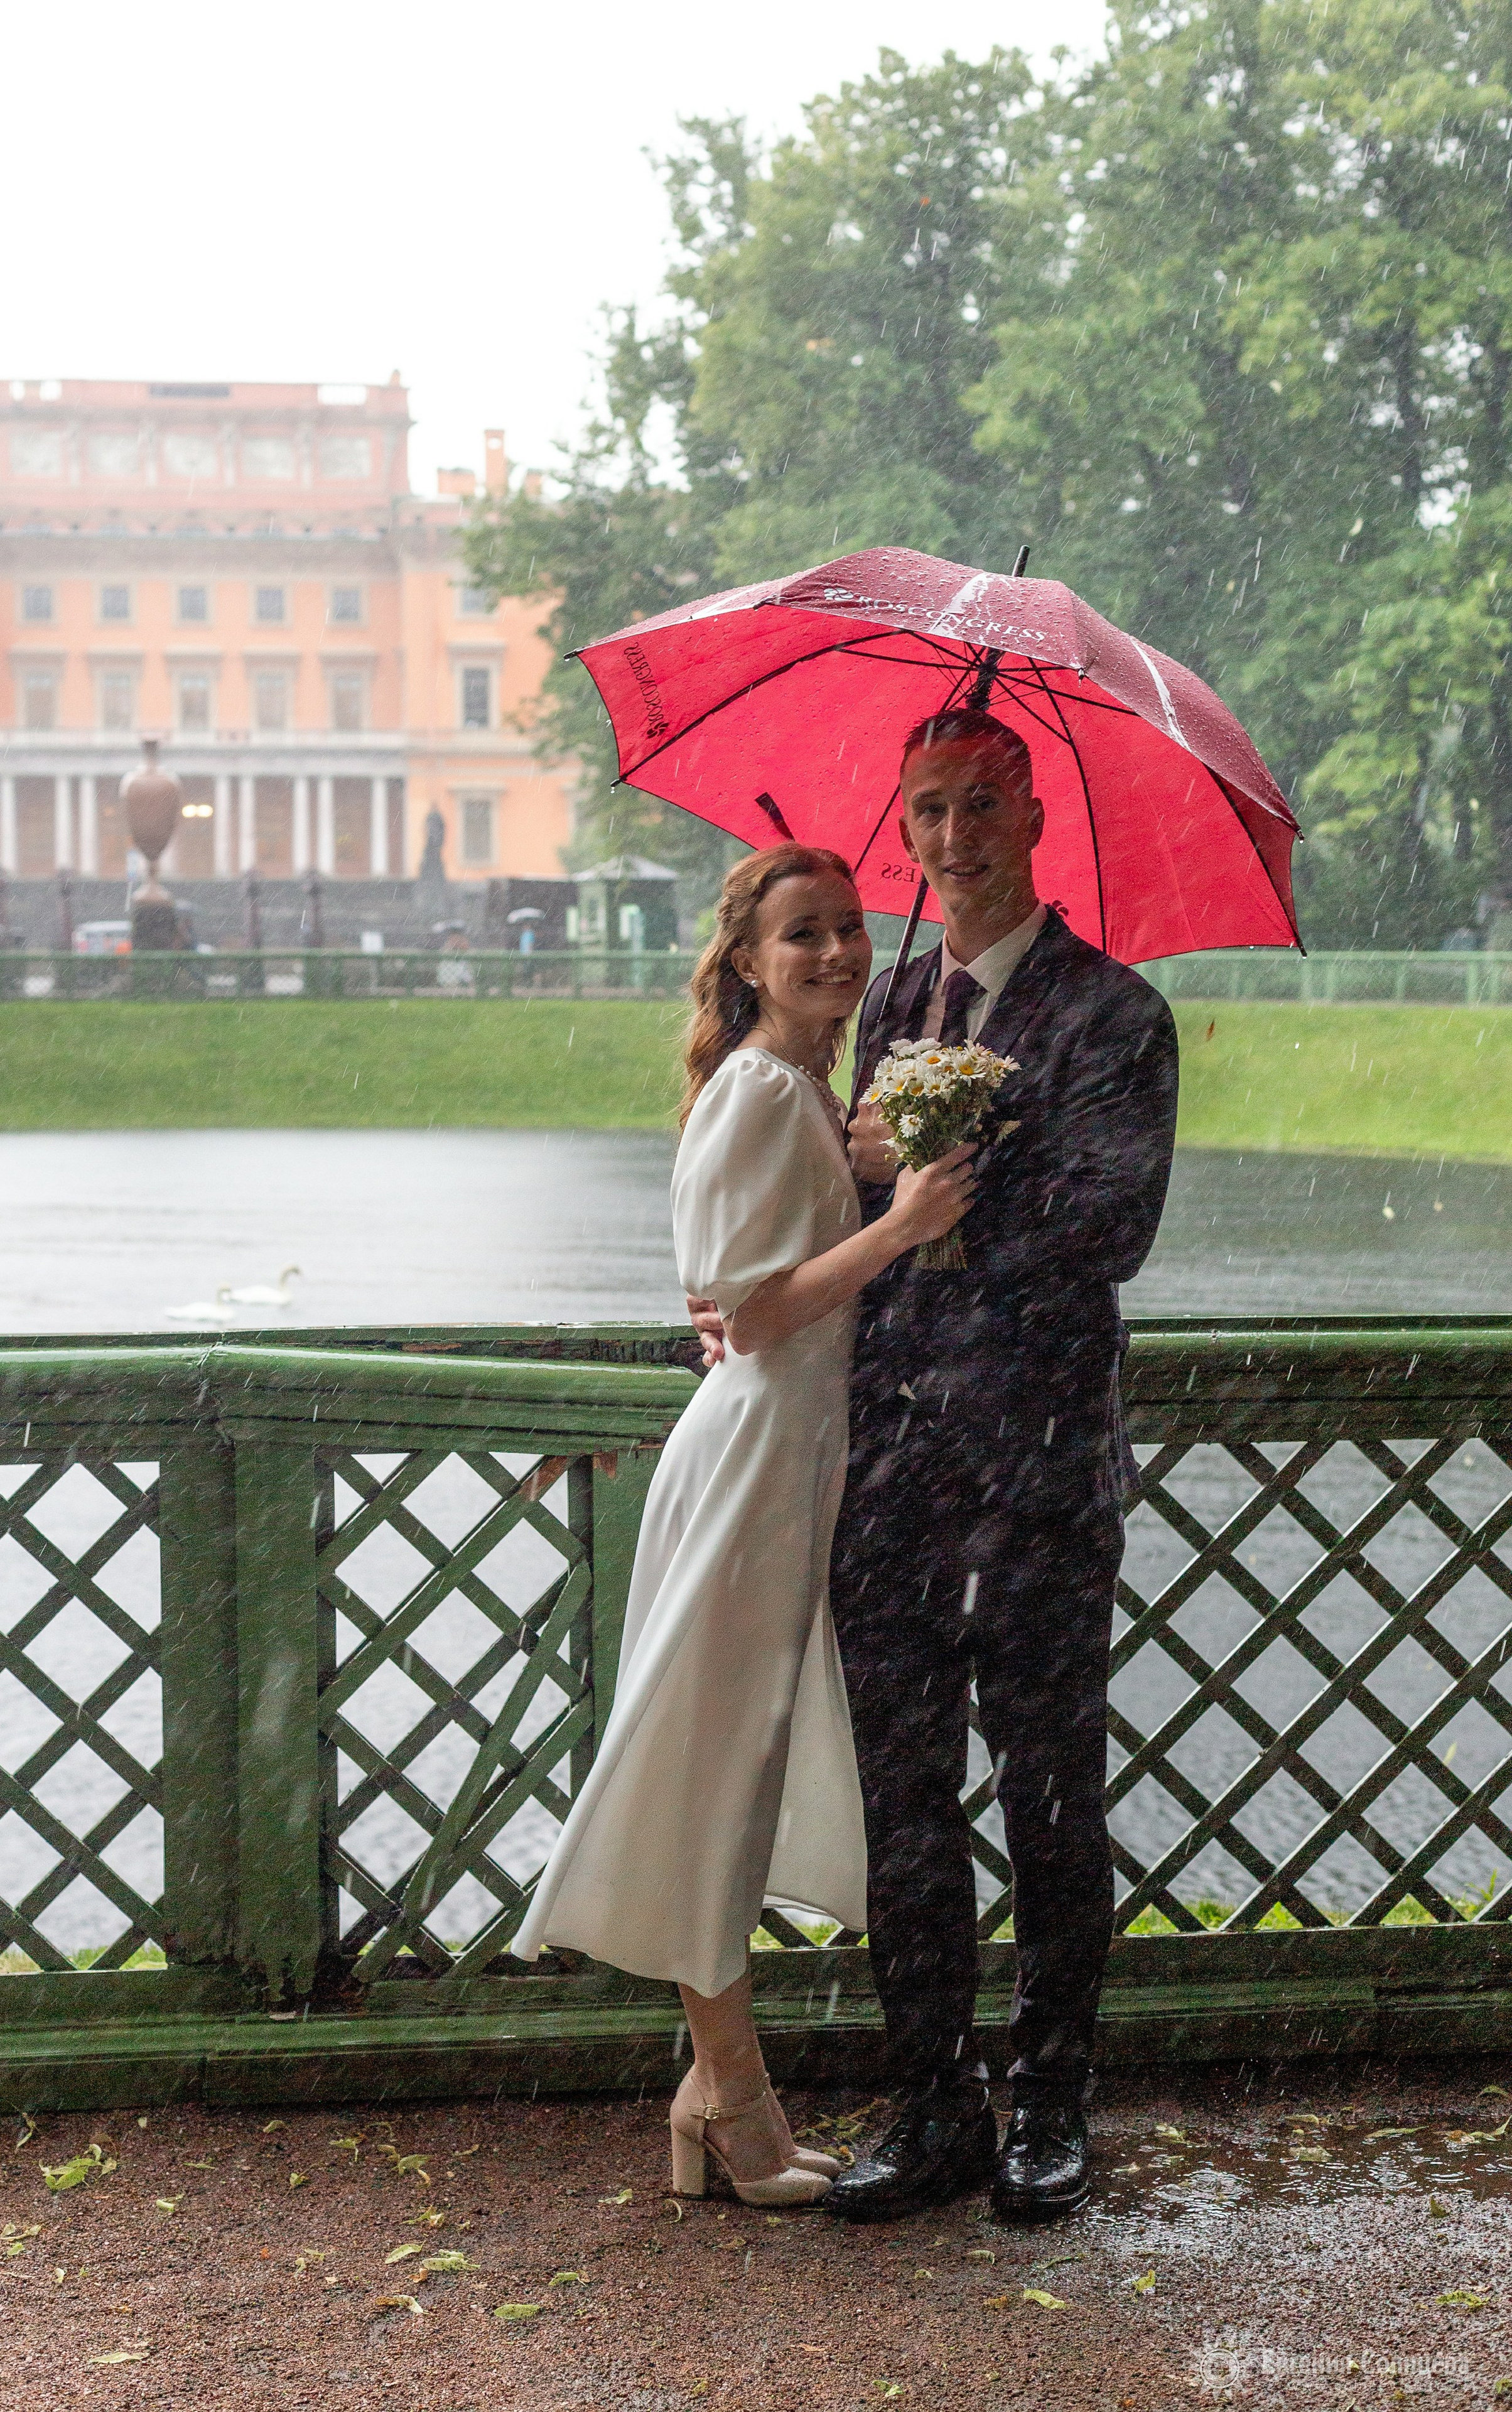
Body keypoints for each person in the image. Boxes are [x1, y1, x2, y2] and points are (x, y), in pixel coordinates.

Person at [689, 706, 1180, 2223]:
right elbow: (795, 1229)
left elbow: (1110, 1235)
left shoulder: (1115, 1017)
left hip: (1035, 1470)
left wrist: (947, 1186)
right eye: (927, 811)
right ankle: (932, 2102)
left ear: (1032, 816)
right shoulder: (879, 999)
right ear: (902, 828)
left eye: (979, 805)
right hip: (884, 1470)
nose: (953, 839)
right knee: (906, 1801)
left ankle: (1048, 2099)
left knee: (1047, 1790)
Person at [514, 842, 976, 2206]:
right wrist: (901, 1224)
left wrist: (872, 1169)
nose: (837, 952)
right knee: (713, 1773)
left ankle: (700, 2099)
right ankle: (734, 2103)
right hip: (755, 1466)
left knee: (737, 1761)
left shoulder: (796, 1093)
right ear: (745, 962)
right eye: (802, 936)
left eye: (846, 929)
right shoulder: (761, 1093)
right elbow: (749, 1309)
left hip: (790, 1461)